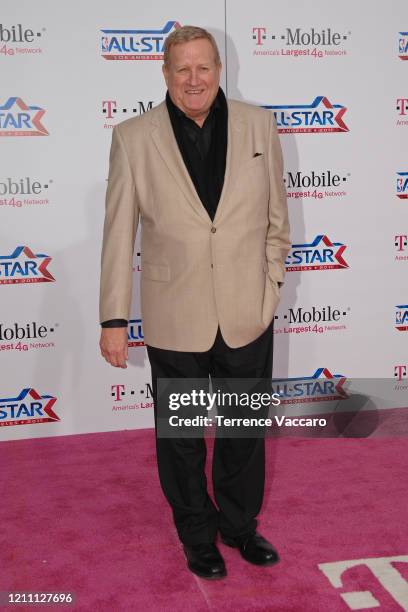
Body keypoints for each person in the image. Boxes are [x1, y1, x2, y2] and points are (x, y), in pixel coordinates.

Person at [99, 25, 290, 580]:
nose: (194, 79)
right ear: (164, 73)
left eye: (203, 66)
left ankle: (239, 527)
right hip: (174, 314)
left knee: (242, 433)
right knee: (181, 440)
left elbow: (278, 220)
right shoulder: (134, 137)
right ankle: (196, 535)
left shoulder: (260, 124)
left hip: (245, 312)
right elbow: (118, 234)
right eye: (181, 69)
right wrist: (114, 318)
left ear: (218, 69)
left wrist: (269, 285)